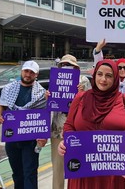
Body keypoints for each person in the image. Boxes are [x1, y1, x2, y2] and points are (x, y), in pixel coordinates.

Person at [58, 59, 125, 189]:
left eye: (109, 76)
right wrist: (66, 143)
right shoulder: (80, 98)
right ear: (94, 75)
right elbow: (69, 125)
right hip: (84, 170)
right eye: (99, 74)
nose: (103, 79)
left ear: (115, 78)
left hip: (116, 174)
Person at [0, 60, 47, 189]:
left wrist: (43, 137)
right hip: (12, 140)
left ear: (36, 75)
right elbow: (1, 105)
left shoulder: (42, 94)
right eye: (26, 71)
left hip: (31, 142)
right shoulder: (8, 89)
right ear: (22, 71)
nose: (28, 74)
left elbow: (45, 114)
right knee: (17, 174)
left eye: (31, 73)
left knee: (30, 174)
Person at [49, 54, 91, 189]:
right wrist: (48, 96)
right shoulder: (55, 79)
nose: (66, 67)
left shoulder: (83, 80)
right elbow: (51, 103)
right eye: (64, 64)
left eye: (69, 65)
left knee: (78, 166)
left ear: (75, 67)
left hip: (77, 130)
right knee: (58, 167)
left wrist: (81, 94)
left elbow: (91, 103)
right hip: (57, 130)